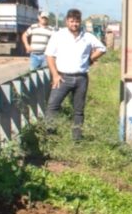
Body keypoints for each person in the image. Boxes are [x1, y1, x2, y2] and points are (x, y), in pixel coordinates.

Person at [45, 8, 106, 140]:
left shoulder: (87, 37)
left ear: (80, 22)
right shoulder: (58, 35)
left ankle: (77, 139)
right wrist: (55, 75)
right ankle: (50, 137)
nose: (74, 24)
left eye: (77, 21)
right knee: (53, 106)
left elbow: (102, 48)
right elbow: (49, 56)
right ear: (67, 21)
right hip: (62, 77)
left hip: (81, 78)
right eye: (72, 21)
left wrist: (90, 59)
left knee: (78, 111)